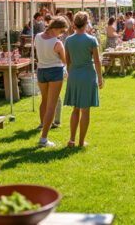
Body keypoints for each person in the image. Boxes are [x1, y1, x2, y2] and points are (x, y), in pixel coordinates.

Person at [64, 12, 104, 147]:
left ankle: (71, 140)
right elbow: (97, 61)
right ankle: (81, 142)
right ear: (86, 23)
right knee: (85, 110)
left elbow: (67, 62)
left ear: (74, 23)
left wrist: (71, 74)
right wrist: (100, 77)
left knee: (75, 109)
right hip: (88, 75)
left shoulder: (69, 40)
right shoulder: (91, 40)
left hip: (74, 75)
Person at [35, 17, 69, 147]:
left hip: (41, 71)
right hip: (55, 71)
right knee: (51, 105)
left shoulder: (37, 36)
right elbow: (65, 61)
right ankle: (43, 139)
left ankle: (43, 126)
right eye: (61, 31)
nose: (61, 34)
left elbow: (38, 51)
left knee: (44, 100)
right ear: (56, 28)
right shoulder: (57, 42)